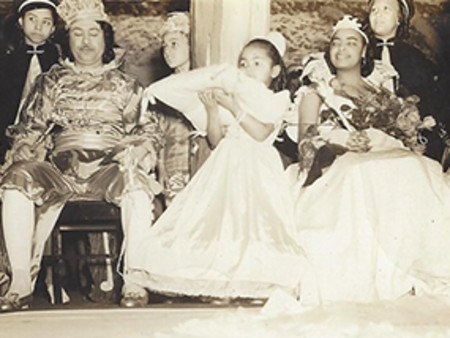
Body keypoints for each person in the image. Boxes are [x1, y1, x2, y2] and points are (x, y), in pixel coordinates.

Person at [0, 0, 164, 312]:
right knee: (17, 177)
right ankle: (20, 281)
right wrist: (24, 146)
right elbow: (31, 126)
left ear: (105, 38)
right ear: (67, 40)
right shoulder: (50, 81)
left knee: (137, 184)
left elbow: (149, 130)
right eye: (77, 33)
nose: (85, 41)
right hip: (60, 169)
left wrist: (135, 150)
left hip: (109, 168)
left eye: (93, 33)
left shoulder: (126, 84)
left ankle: (135, 279)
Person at [127, 33, 305, 303]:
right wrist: (212, 109)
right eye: (243, 63)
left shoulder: (276, 99)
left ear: (275, 70)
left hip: (257, 167)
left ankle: (259, 283)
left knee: (256, 227)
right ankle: (221, 283)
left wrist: (233, 105)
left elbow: (260, 133)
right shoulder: (231, 97)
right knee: (221, 225)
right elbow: (215, 140)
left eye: (257, 63)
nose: (248, 69)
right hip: (227, 163)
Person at [291, 16, 450, 307]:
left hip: (382, 159)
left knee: (416, 167)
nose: (342, 48)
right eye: (336, 43)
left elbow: (402, 135)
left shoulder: (381, 93)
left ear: (364, 52)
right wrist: (340, 139)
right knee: (361, 170)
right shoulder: (315, 92)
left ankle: (411, 266)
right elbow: (305, 142)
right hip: (338, 165)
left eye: (351, 42)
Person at [365, 0, 445, 162]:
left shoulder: (415, 57)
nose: (378, 14)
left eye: (386, 9)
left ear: (399, 18)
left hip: (411, 137)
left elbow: (429, 96)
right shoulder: (360, 54)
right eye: (374, 10)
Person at [151, 12, 210, 207]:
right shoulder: (162, 90)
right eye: (165, 46)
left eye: (174, 44)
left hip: (207, 163)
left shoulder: (207, 82)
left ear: (191, 45)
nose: (168, 51)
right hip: (174, 167)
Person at [0, 0, 59, 164]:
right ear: (21, 21)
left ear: (53, 28)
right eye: (32, 19)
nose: (38, 27)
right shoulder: (6, 62)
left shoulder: (59, 64)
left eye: (46, 22)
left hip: (46, 139)